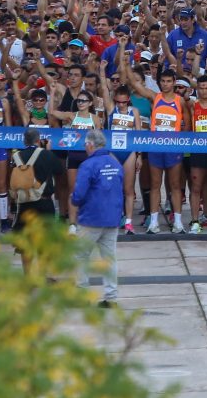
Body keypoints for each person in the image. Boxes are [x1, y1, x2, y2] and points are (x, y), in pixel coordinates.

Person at [70, 129, 125, 308]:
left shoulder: (88, 165)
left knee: (81, 256)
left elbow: (79, 194)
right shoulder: (115, 163)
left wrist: (74, 201)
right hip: (112, 218)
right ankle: (111, 297)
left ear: (90, 144)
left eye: (86, 144)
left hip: (91, 218)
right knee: (109, 259)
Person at [10, 127, 64, 275]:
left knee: (26, 243)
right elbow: (59, 170)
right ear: (38, 140)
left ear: (24, 141)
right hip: (44, 202)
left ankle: (28, 276)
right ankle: (42, 275)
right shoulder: (46, 154)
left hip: (23, 204)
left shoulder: (16, 157)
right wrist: (49, 151)